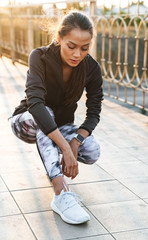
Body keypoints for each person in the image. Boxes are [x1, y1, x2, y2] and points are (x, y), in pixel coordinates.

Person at [10, 11, 103, 225]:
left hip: (60, 125)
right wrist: (66, 149)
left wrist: (76, 141)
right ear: (59, 39)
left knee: (92, 151)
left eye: (84, 48)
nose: (77, 54)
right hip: (26, 121)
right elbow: (35, 104)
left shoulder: (91, 68)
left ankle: (50, 156)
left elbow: (94, 111)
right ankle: (61, 193)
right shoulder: (39, 57)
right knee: (45, 112)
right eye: (71, 46)